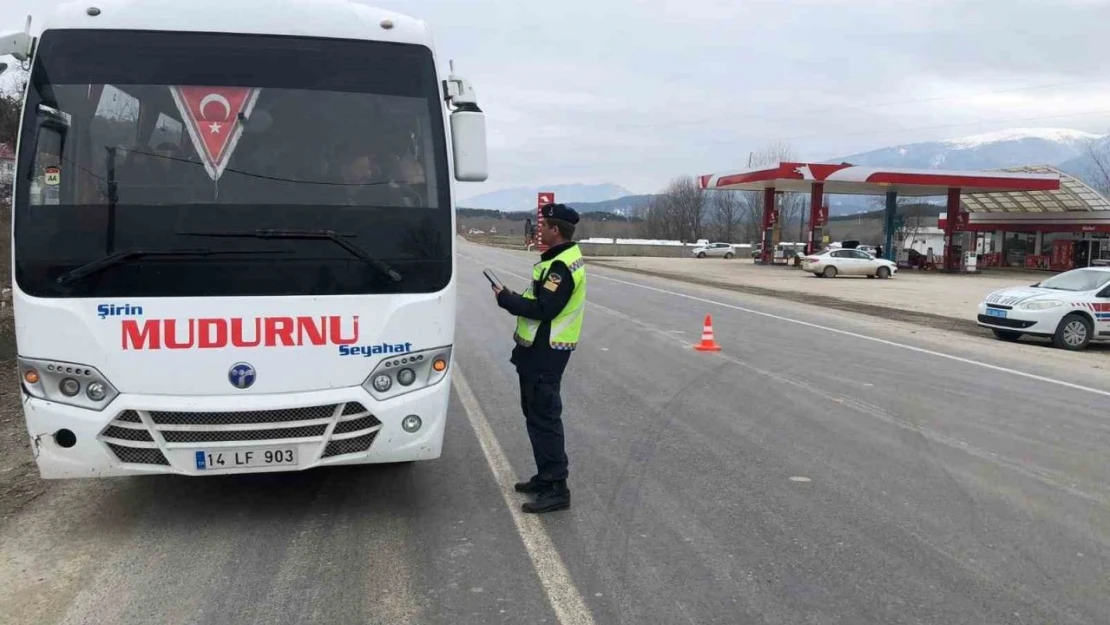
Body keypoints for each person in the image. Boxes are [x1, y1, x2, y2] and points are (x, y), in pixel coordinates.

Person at [492, 203, 587, 514]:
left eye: (542, 224)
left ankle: (557, 487)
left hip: (547, 353)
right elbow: (538, 301)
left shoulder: (561, 267)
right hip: (537, 351)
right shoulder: (555, 261)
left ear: (555, 230)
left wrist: (506, 300)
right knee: (536, 416)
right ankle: (546, 478)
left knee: (544, 418)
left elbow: (544, 309)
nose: (538, 229)